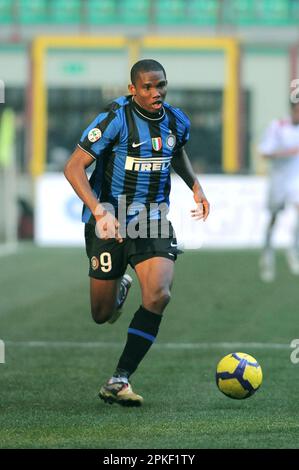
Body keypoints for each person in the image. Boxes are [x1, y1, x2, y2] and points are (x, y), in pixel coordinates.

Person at [64, 59, 210, 407]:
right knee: (101, 315)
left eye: (161, 85)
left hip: (152, 220)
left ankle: (119, 378)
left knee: (159, 294)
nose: (155, 92)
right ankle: (119, 287)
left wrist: (196, 186)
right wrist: (100, 211)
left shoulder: (176, 120)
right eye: (147, 87)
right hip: (109, 222)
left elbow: (175, 152)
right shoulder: (114, 119)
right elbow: (73, 168)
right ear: (133, 89)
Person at [259, 101, 299, 282]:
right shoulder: (277, 127)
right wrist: (287, 152)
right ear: (292, 110)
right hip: (278, 180)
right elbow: (265, 152)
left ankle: (294, 252)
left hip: (295, 180)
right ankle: (267, 255)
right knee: (273, 218)